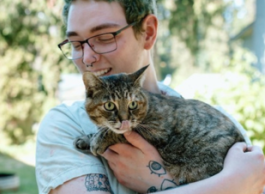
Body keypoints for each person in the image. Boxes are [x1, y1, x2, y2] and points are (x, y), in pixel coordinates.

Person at [35, 0, 265, 193]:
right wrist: (230, 184)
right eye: (76, 44)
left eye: (104, 37)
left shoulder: (221, 121)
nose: (87, 58)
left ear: (148, 32)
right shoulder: (63, 128)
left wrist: (158, 181)